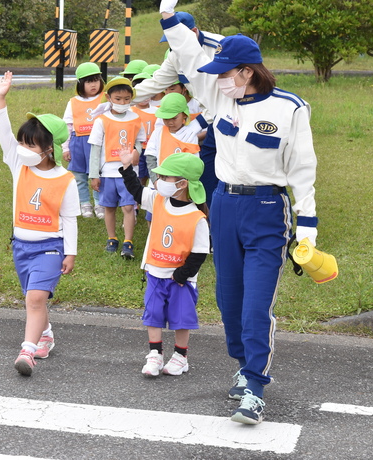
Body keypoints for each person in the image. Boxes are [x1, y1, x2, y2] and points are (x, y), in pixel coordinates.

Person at [158, 0, 319, 424]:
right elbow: (191, 55)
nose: (217, 80)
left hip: (267, 209)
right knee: (229, 301)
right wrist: (167, 17)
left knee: (256, 305)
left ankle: (255, 386)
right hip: (224, 207)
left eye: (226, 72)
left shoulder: (291, 108)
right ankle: (242, 364)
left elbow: (303, 171)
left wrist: (308, 229)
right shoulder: (217, 94)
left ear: (247, 71)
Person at [0, 71, 80, 376]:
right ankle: (44, 334)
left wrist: (70, 252)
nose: (22, 149)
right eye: (21, 142)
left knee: (34, 298)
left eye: (30, 145)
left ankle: (26, 352)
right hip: (22, 247)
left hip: (50, 248)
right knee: (34, 299)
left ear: (50, 149)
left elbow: (69, 218)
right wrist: (0, 99)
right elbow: (3, 134)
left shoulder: (65, 179)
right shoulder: (18, 165)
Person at [118, 150, 209, 377]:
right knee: (154, 314)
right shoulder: (158, 200)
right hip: (155, 273)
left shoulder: (197, 218)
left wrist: (181, 275)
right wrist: (127, 167)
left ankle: (180, 356)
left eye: (165, 177)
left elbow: (199, 254)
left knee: (181, 318)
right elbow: (137, 191)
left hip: (180, 280)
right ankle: (155, 355)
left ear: (182, 184)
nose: (159, 181)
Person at [134, 10, 223, 208]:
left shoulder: (219, 48)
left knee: (229, 176)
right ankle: (205, 223)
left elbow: (220, 100)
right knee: (206, 177)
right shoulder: (176, 55)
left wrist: (194, 126)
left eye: (177, 38)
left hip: (228, 119)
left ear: (193, 32)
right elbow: (156, 82)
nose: (174, 45)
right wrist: (126, 97)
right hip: (208, 125)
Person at [88, 77, 147, 260]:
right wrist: (93, 174)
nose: (123, 103)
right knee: (109, 207)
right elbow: (95, 149)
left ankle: (128, 241)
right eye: (118, 99)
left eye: (127, 99)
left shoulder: (136, 119)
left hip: (128, 173)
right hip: (107, 173)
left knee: (128, 206)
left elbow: (139, 143)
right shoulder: (101, 121)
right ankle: (112, 237)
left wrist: (136, 154)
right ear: (108, 97)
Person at [62, 62, 105, 219]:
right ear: (80, 84)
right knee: (79, 176)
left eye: (96, 80)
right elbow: (67, 125)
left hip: (99, 143)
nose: (93, 84)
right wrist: (66, 148)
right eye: (88, 81)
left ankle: (100, 203)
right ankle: (84, 203)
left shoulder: (105, 99)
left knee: (98, 174)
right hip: (78, 142)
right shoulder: (73, 102)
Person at [144, 92, 207, 185]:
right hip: (160, 182)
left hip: (181, 184)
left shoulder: (189, 135)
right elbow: (151, 158)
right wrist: (155, 181)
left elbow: (193, 164)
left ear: (184, 115)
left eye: (174, 118)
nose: (170, 122)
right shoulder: (158, 132)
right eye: (166, 119)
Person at [130, 72, 159, 187]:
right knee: (140, 176)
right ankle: (138, 199)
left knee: (153, 175)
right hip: (138, 149)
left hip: (152, 150)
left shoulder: (157, 111)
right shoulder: (131, 111)